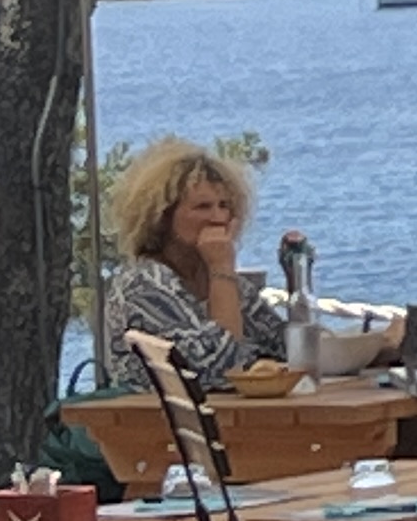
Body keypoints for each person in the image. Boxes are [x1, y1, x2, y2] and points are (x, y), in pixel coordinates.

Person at [108, 139, 286, 391]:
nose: (218, 218)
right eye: (203, 207)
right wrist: (222, 267)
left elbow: (283, 346)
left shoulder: (227, 285)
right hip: (162, 415)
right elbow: (224, 369)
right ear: (163, 217)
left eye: (224, 206)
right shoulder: (143, 286)